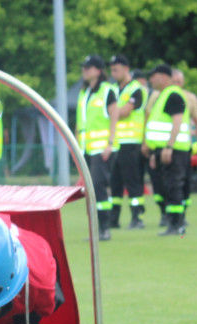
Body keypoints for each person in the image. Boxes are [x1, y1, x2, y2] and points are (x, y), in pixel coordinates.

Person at [142, 63, 190, 237]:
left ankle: (176, 224)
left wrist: (169, 146)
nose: (150, 80)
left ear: (162, 76)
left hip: (174, 149)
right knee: (168, 187)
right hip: (164, 149)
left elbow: (177, 122)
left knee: (173, 186)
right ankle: (173, 223)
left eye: (153, 76)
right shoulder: (163, 95)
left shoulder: (173, 94)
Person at [76, 55, 119, 241]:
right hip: (85, 149)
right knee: (90, 190)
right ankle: (95, 229)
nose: (84, 70)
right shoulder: (84, 93)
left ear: (99, 70)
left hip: (102, 149)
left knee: (99, 188)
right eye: (84, 67)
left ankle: (104, 228)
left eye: (89, 67)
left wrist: (110, 143)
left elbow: (114, 118)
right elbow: (80, 124)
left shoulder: (108, 91)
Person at [109, 55, 147, 230]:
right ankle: (113, 218)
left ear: (126, 68)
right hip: (116, 142)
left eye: (116, 69)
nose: (113, 73)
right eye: (112, 69)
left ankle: (136, 217)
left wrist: (111, 111)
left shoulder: (136, 89)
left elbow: (125, 111)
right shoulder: (114, 89)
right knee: (115, 182)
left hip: (131, 142)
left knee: (132, 181)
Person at [173, 67, 197, 228]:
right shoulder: (159, 96)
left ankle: (181, 214)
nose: (177, 85)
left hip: (183, 147)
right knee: (167, 184)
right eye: (174, 82)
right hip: (164, 148)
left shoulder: (190, 98)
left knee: (183, 182)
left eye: (179, 82)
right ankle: (170, 216)